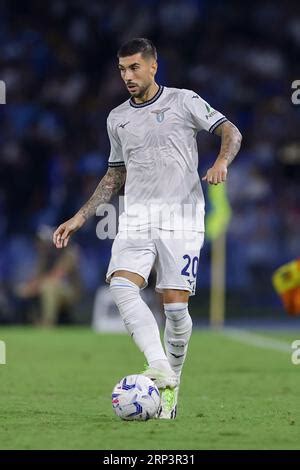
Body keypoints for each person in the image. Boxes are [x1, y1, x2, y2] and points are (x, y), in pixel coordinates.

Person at [53, 38, 242, 419]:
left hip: (182, 217)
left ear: (154, 66)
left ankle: (172, 387)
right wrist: (80, 216)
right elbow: (114, 175)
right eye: (122, 69)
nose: (128, 76)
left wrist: (221, 162)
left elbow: (231, 132)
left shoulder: (184, 101)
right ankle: (159, 366)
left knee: (174, 308)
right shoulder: (117, 118)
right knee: (122, 285)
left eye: (135, 67)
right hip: (137, 217)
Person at [17, 225, 82, 326]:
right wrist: (27, 288)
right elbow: (37, 277)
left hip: (70, 291)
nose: (40, 245)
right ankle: (28, 322)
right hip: (51, 287)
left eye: (43, 242)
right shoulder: (44, 256)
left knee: (48, 287)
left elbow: (56, 275)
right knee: (24, 289)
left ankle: (48, 323)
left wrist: (32, 288)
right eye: (39, 242)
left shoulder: (69, 252)